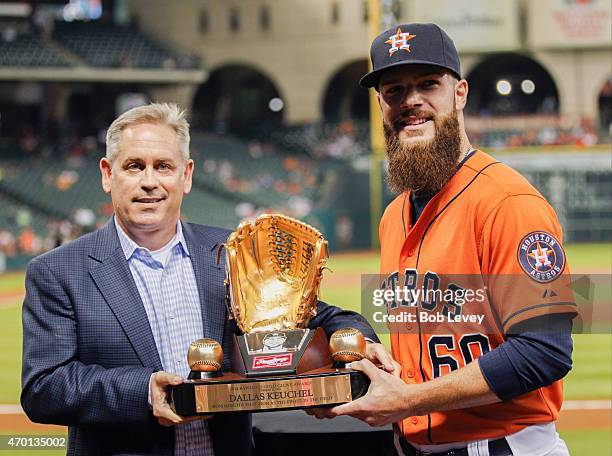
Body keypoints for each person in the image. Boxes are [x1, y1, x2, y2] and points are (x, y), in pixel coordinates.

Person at [21, 102, 396, 455]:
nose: (150, 182)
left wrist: (360, 338)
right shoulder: (58, 271)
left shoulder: (231, 252)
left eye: (164, 166)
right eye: (134, 166)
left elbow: (311, 315)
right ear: (107, 174)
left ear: (186, 176)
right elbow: (43, 387)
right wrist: (143, 392)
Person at [330, 23, 577, 456]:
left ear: (459, 93)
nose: (411, 102)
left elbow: (544, 352)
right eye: (394, 91)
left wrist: (407, 400)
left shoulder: (508, 201)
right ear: (379, 104)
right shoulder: (393, 217)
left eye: (428, 84)